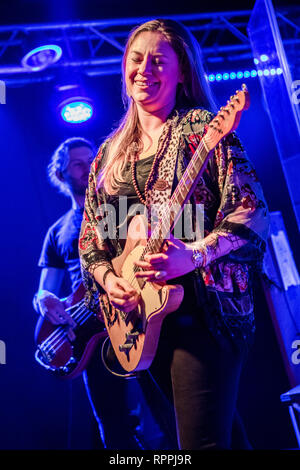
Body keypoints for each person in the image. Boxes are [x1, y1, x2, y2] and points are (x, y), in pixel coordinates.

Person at [78, 18, 270, 450]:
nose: (145, 68)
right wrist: (112, 283)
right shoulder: (107, 156)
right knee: (211, 439)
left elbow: (252, 211)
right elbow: (92, 236)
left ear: (182, 71)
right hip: (139, 321)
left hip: (203, 312)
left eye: (159, 60)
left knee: (199, 445)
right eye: (136, 57)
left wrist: (194, 255)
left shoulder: (202, 127)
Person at [33, 137, 175, 450]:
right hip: (89, 332)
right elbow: (47, 288)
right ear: (61, 174)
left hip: (136, 317)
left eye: (91, 159)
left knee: (167, 410)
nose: (88, 168)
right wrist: (42, 300)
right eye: (78, 164)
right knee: (112, 424)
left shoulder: (124, 207)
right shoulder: (57, 232)